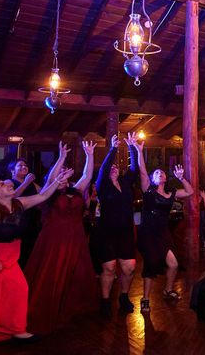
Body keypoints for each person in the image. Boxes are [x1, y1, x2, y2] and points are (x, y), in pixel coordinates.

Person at [0, 169, 73, 354]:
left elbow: (44, 195)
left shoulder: (19, 203)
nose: (8, 183)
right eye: (2, 184)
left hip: (10, 256)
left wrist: (58, 180)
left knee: (20, 289)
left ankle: (18, 330)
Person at [24, 141, 99, 334]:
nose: (64, 176)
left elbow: (87, 175)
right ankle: (49, 308)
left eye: (66, 174)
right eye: (61, 174)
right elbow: (50, 178)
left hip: (76, 237)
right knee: (53, 271)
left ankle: (69, 309)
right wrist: (62, 157)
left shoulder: (76, 191)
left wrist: (89, 155)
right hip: (54, 238)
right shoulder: (48, 193)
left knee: (75, 271)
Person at [135, 139, 193, 313]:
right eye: (157, 173)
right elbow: (143, 172)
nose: (160, 174)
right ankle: (145, 298)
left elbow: (189, 192)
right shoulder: (148, 191)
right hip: (147, 232)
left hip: (163, 232)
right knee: (151, 263)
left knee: (174, 264)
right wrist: (139, 151)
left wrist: (181, 178)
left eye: (162, 173)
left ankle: (167, 289)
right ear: (153, 179)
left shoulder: (170, 193)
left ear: (166, 177)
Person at [92, 134, 138, 316]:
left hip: (126, 231)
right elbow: (103, 168)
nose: (113, 169)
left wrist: (132, 147)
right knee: (109, 268)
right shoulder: (103, 185)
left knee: (129, 268)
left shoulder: (126, 183)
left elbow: (134, 169)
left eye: (116, 167)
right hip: (107, 232)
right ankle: (104, 301)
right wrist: (112, 148)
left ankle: (124, 297)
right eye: (111, 168)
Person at [8, 158, 42, 267]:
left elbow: (44, 195)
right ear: (12, 170)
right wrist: (26, 182)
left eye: (25, 165)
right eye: (20, 165)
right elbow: (12, 197)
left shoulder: (33, 185)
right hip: (17, 219)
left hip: (32, 219)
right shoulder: (9, 182)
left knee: (30, 249)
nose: (24, 167)